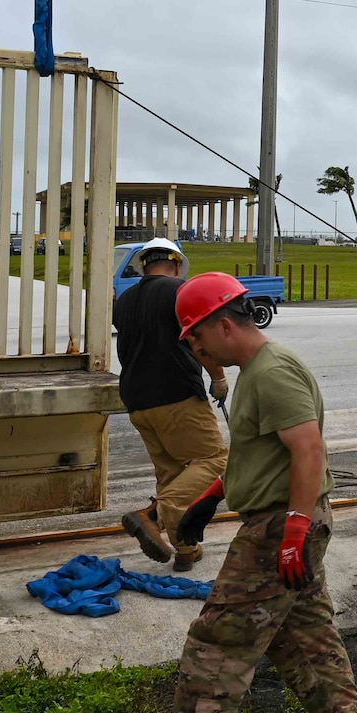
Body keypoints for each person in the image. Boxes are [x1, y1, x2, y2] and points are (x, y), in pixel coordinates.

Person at [105, 272, 357, 713]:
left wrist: (294, 529)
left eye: (197, 337)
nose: (196, 349)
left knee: (219, 640)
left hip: (279, 526)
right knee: (303, 634)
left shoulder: (273, 373)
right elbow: (259, 454)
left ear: (224, 324)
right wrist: (210, 498)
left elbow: (308, 450)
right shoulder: (253, 373)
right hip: (280, 518)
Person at [114, 238, 229, 572]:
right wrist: (219, 377)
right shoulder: (179, 291)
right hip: (176, 395)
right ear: (177, 265)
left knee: (172, 475)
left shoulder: (125, 299)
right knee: (216, 460)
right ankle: (152, 516)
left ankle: (186, 549)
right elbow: (198, 339)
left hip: (137, 401)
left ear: (143, 266)